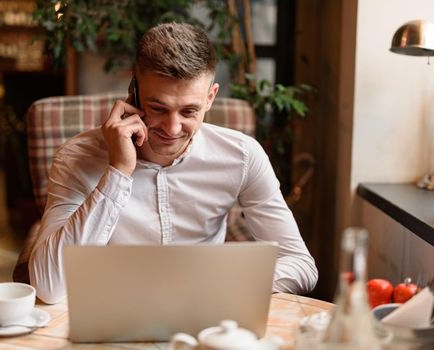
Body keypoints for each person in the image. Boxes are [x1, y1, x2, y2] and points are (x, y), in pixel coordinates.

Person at [28, 22, 318, 304]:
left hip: (203, 319)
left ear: (210, 98)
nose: (173, 128)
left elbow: (300, 264)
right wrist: (118, 172)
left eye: (189, 111)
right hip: (111, 314)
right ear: (135, 89)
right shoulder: (76, 156)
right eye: (158, 108)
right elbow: (49, 286)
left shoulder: (242, 156)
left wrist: (224, 286)